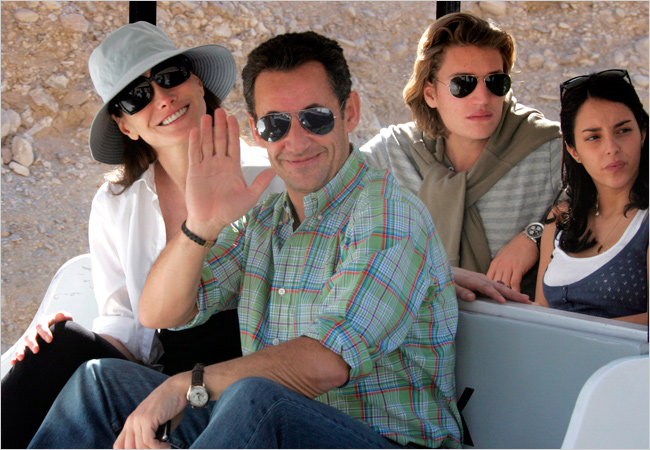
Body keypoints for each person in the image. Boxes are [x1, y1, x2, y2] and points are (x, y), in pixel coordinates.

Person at [29, 31, 462, 449]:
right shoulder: (266, 220)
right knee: (101, 381)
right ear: (257, 132)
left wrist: (188, 385)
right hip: (272, 428)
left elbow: (326, 363)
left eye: (315, 117)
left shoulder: (385, 211)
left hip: (381, 438)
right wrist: (200, 225)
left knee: (254, 400)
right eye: (276, 124)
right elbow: (160, 312)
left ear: (349, 112)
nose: (295, 139)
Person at [2, 21, 283, 449]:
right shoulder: (117, 203)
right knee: (57, 347)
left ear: (197, 83)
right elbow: (129, 334)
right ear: (126, 125)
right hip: (156, 372)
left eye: (170, 76)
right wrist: (61, 344)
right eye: (137, 96)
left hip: (246, 377)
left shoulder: (269, 178)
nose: (163, 98)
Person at [360, 13, 561, 302]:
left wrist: (535, 236)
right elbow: (331, 209)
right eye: (462, 84)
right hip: (411, 332)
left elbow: (603, 203)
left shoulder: (547, 150)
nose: (482, 97)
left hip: (515, 332)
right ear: (430, 93)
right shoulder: (392, 154)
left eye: (496, 82)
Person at [535, 69, 648, 324]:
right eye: (594, 137)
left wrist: (579, 335)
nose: (611, 148)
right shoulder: (562, 218)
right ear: (574, 150)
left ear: (642, 133)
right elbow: (541, 309)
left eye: (623, 131)